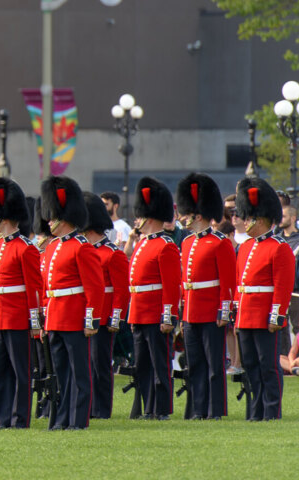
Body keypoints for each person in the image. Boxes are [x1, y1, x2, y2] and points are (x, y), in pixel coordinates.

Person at [38, 176, 103, 431]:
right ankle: (62, 417)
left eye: (53, 217)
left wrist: (91, 319)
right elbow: (47, 289)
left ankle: (78, 420)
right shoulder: (52, 247)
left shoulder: (81, 247)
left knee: (79, 374)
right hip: (55, 317)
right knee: (61, 374)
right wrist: (44, 319)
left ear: (64, 217)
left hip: (74, 317)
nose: (49, 221)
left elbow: (94, 287)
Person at [233, 177, 295, 422]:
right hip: (246, 314)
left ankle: (271, 411)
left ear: (260, 219)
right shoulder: (246, 247)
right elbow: (241, 285)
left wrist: (277, 315)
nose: (245, 222)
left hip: (265, 315)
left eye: (249, 218)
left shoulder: (279, 247)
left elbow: (283, 286)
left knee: (268, 365)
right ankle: (255, 410)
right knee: (250, 365)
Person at [175, 173, 235, 420]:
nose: (181, 218)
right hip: (191, 311)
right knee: (196, 363)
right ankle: (198, 409)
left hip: (211, 311)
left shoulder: (220, 243)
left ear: (197, 215)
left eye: (185, 213)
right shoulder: (187, 242)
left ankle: (215, 409)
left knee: (214, 365)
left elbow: (228, 282)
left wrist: (224, 310)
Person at [0, 177, 41, 429]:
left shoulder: (25, 248)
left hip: (18, 318)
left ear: (5, 217)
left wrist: (35, 322)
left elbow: (34, 290)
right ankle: (2, 417)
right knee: (1, 373)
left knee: (20, 372)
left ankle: (19, 418)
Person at [125, 177, 180, 421]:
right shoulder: (142, 245)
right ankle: (148, 406)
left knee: (160, 364)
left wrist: (168, 315)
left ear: (150, 217)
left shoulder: (165, 246)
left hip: (156, 313)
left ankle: (161, 408)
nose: (137, 220)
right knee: (143, 365)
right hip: (139, 311)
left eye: (140, 216)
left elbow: (171, 286)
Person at [78, 192, 126, 420]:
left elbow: (120, 290)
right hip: (84, 314)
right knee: (86, 364)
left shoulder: (112, 253)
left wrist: (115, 318)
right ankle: (90, 405)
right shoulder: (82, 251)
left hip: (105, 317)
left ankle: (102, 408)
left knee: (100, 364)